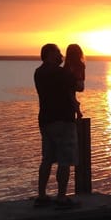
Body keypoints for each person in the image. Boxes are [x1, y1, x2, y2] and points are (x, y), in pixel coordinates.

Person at [34, 43, 82, 208]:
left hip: (45, 121)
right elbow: (79, 86)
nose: (60, 55)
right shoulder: (61, 73)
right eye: (57, 53)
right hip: (63, 120)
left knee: (47, 159)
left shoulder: (38, 72)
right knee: (65, 159)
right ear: (49, 54)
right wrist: (75, 66)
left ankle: (41, 195)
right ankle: (61, 197)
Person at [64, 43, 86, 119]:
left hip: (76, 83)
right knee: (71, 94)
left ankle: (77, 107)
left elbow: (69, 77)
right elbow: (83, 78)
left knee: (69, 92)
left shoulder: (69, 64)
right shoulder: (81, 64)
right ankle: (77, 108)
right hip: (79, 83)